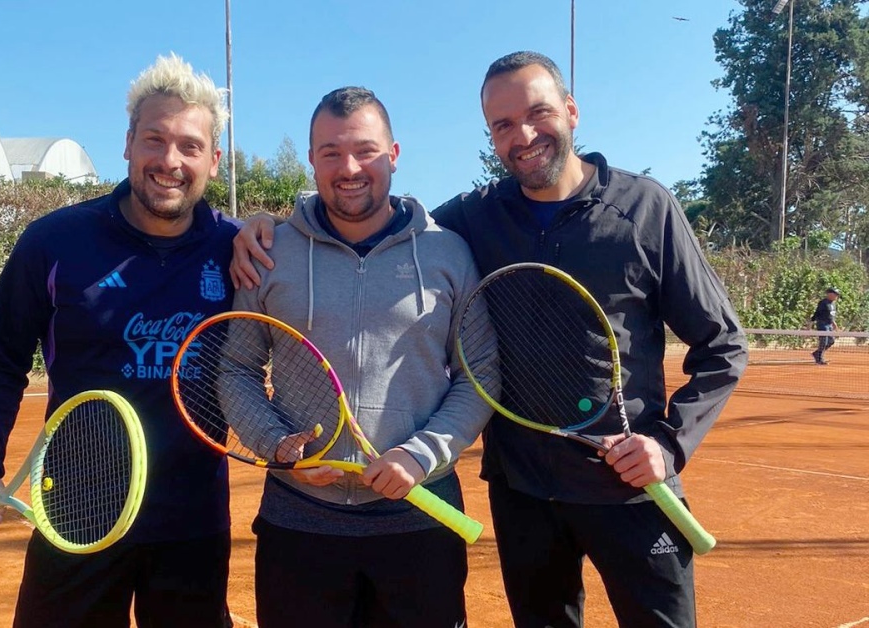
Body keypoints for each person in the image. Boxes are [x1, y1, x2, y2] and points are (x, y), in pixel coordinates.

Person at [230, 52, 749, 628]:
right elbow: (374, 219)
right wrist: (255, 225)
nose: (523, 136)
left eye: (538, 113)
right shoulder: (470, 221)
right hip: (523, 490)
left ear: (571, 112)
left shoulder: (644, 209)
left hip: (631, 483)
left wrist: (668, 444)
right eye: (502, 125)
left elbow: (722, 344)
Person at [0, 53, 238, 627]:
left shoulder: (238, 249)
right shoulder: (55, 241)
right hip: (74, 514)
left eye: (190, 146)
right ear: (127, 143)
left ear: (214, 160)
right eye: (154, 139)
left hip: (193, 524)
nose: (170, 161)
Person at [228, 86, 491, 628]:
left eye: (366, 150)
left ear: (393, 154)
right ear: (312, 160)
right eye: (330, 152)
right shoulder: (268, 250)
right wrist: (277, 447)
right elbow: (236, 366)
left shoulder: (448, 252)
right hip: (298, 523)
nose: (349, 167)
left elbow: (478, 373)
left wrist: (422, 454)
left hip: (421, 520)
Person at [809, 287, 841, 364]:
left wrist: (835, 326)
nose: (836, 296)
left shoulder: (833, 304)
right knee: (823, 342)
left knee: (831, 341)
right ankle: (819, 359)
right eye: (835, 294)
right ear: (829, 294)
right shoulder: (823, 303)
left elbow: (831, 316)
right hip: (822, 325)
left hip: (829, 325)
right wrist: (810, 325)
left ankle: (817, 353)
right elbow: (816, 314)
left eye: (837, 295)